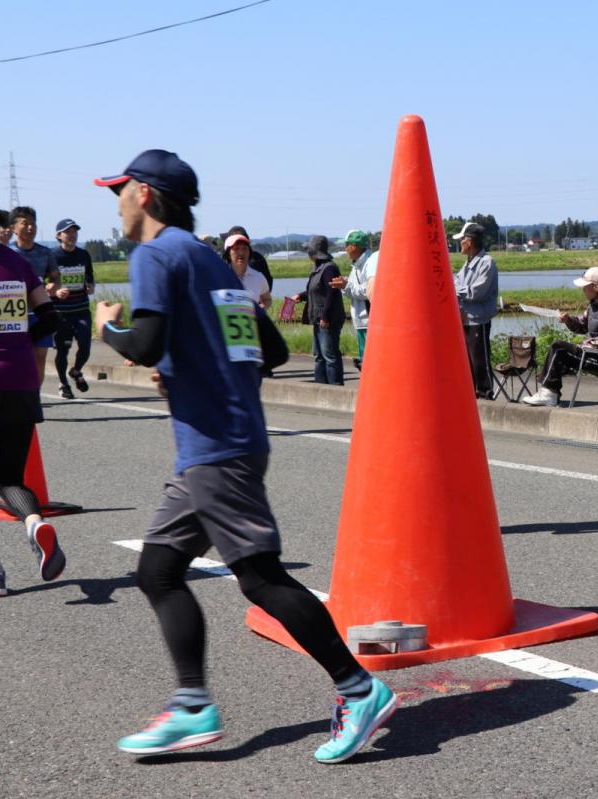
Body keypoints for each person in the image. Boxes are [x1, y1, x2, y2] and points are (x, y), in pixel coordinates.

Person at [92, 150, 394, 762]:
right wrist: (194, 372)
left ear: (145, 195)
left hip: (215, 450)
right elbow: (273, 351)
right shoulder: (208, 260)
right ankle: (193, 706)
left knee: (259, 578)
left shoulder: (154, 254)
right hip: (225, 441)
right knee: (157, 571)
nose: (115, 202)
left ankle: (359, 688)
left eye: (119, 190)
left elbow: (144, 343)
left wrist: (108, 328)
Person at [0, 181, 67, 598]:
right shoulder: (18, 265)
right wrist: (20, 338)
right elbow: (50, 319)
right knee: (10, 479)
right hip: (20, 380)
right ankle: (36, 524)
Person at [522, 266, 598, 406]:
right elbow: (582, 325)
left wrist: (582, 346)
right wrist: (568, 320)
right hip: (592, 353)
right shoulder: (595, 304)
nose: (583, 290)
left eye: (585, 287)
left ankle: (549, 394)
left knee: (559, 348)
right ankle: (548, 392)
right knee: (558, 350)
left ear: (596, 287)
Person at [8, 206, 58, 379]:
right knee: (17, 358)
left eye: (33, 223)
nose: (31, 227)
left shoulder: (45, 253)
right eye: (25, 223)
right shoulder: (7, 253)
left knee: (40, 357)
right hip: (13, 315)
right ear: (13, 227)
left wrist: (53, 286)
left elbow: (55, 278)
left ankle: (35, 396)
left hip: (39, 313)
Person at [51, 218, 95, 400]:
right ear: (59, 236)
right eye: (68, 232)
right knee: (63, 350)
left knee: (85, 346)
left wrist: (91, 286)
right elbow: (44, 282)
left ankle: (76, 371)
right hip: (61, 312)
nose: (72, 235)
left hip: (81, 309)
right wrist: (55, 290)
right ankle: (63, 383)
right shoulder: (52, 256)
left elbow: (90, 276)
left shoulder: (83, 255)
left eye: (74, 231)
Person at [452, 222, 498, 399]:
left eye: (462, 239)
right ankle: (472, 395)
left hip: (479, 319)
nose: (460, 243)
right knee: (468, 360)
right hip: (465, 318)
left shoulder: (487, 263)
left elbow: (476, 292)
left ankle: (485, 393)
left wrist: (455, 290)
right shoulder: (468, 262)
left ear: (469, 242)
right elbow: (457, 285)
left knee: (480, 360)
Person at [293, 235, 345, 385]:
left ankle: (335, 388)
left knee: (329, 355)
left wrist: (325, 317)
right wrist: (300, 296)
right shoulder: (318, 268)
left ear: (314, 252)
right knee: (318, 355)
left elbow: (332, 293)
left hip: (327, 319)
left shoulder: (329, 268)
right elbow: (314, 291)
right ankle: (321, 387)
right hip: (318, 318)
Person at [329, 229, 376, 370]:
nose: (345, 248)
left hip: (368, 319)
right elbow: (353, 288)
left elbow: (368, 290)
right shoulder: (357, 263)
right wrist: (344, 284)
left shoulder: (369, 263)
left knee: (370, 360)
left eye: (346, 245)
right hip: (361, 319)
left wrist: (345, 285)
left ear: (354, 246)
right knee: (366, 359)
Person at [222, 233, 271, 309]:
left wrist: (261, 308)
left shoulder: (258, 277)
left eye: (245, 248)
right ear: (228, 254)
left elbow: (267, 299)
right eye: (236, 248)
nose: (241, 253)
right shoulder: (219, 277)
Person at [226, 225, 273, 291]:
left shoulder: (255, 263)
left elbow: (266, 291)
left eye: (243, 248)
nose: (241, 252)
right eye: (236, 248)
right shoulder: (220, 273)